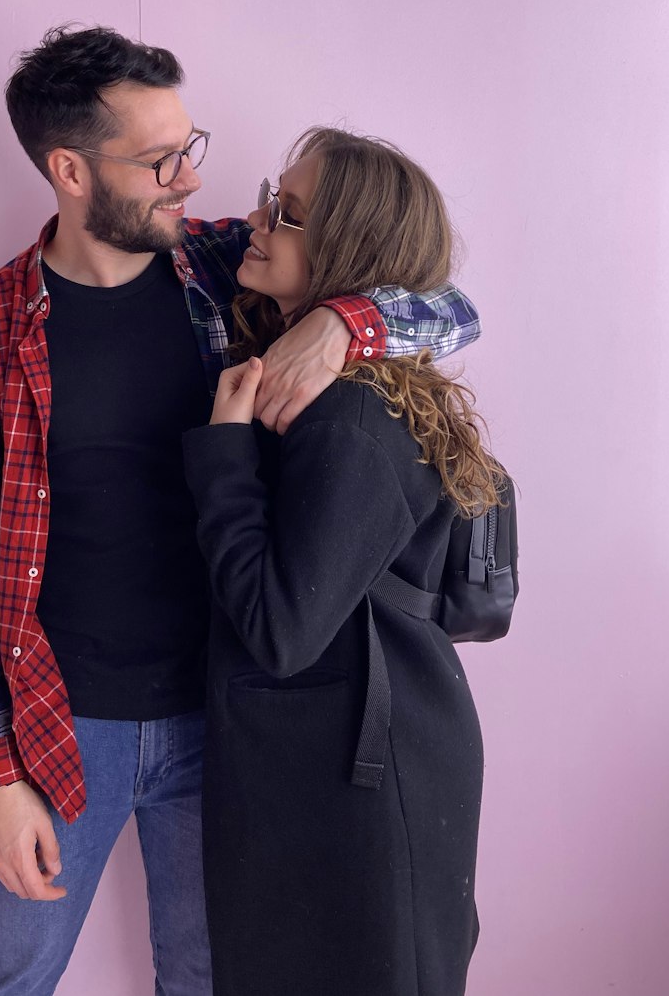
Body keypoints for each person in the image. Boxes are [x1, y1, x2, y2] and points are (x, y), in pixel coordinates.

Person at [0, 28, 482, 996]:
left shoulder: (224, 269)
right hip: (66, 724)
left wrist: (338, 323)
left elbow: (450, 303)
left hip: (232, 711)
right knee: (14, 971)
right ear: (70, 169)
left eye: (192, 146)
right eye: (157, 159)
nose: (187, 179)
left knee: (215, 973)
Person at [183, 127, 506, 996]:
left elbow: (281, 629)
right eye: (270, 195)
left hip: (364, 781)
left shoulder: (350, 415)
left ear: (345, 253)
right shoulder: (333, 380)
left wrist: (221, 453)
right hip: (349, 763)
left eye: (286, 213)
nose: (256, 217)